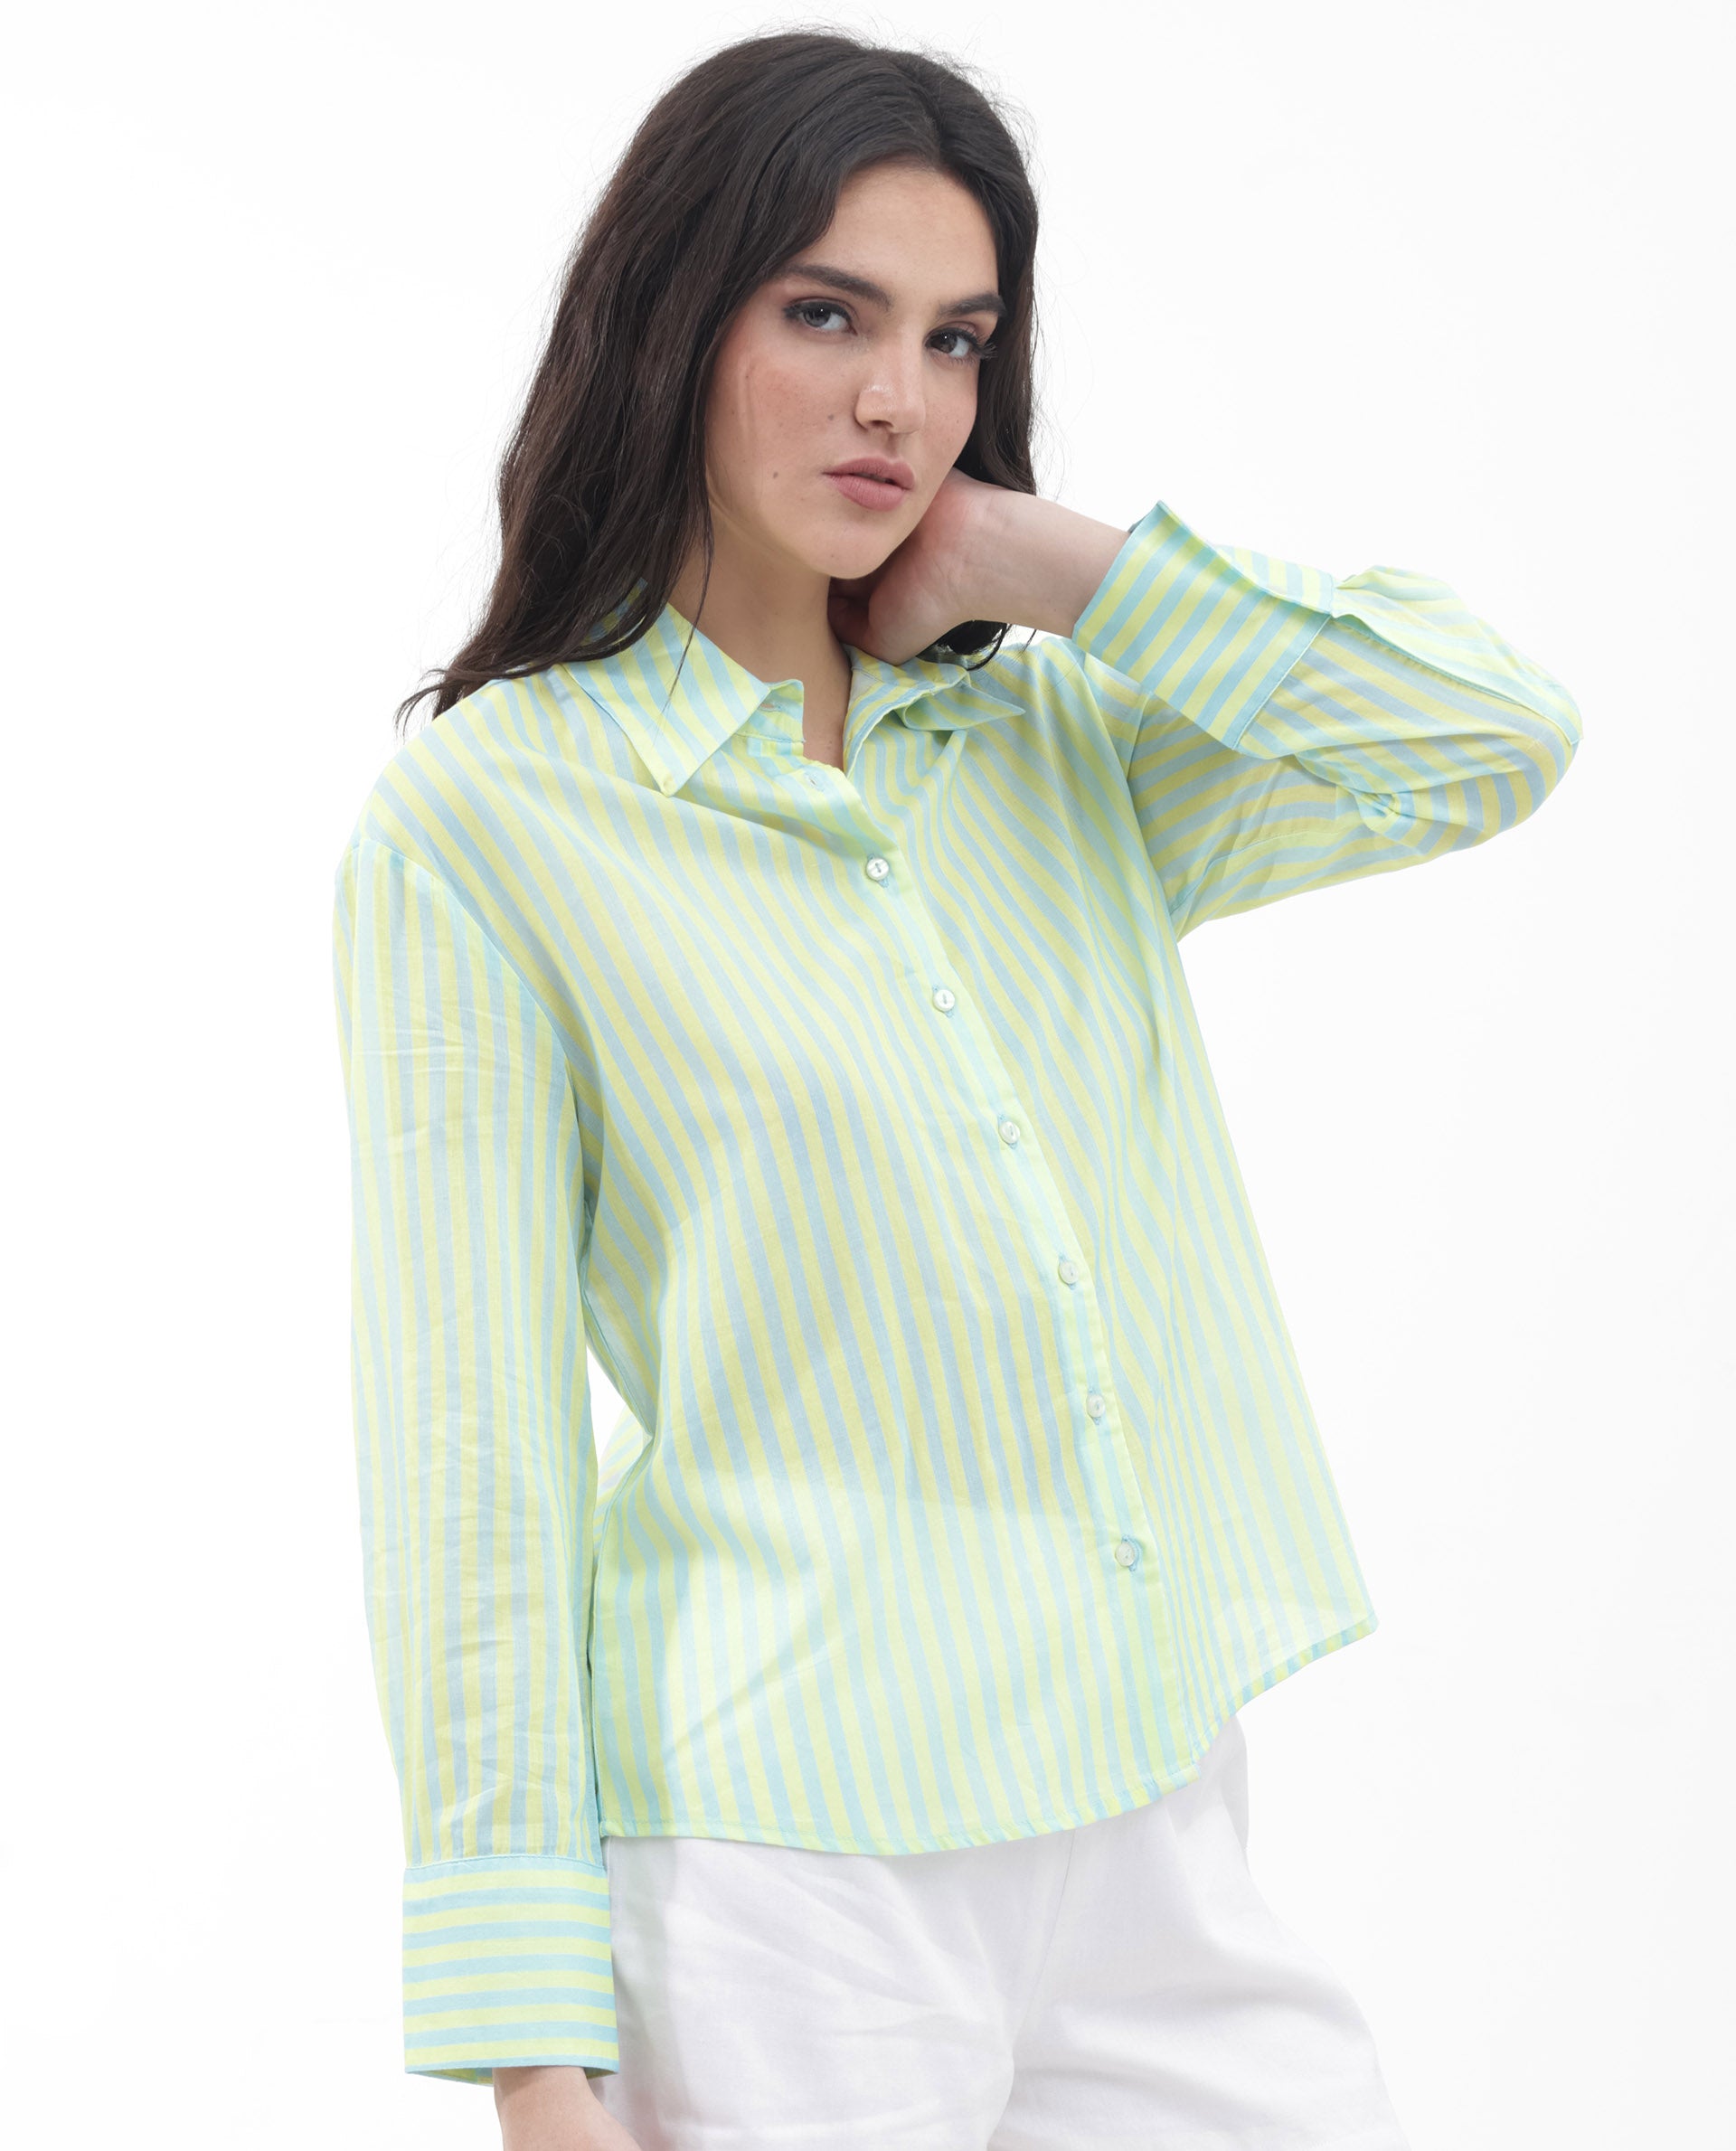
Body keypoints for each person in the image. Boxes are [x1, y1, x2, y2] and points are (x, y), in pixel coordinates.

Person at [330, 28, 1580, 2151]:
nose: (897, 400)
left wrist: (1051, 567)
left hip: (1148, 1807)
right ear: (676, 319)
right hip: (780, 1870)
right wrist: (531, 2045)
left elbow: (1488, 734)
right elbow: (473, 1450)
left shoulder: (1060, 740)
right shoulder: (491, 820)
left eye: (955, 338)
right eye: (826, 314)